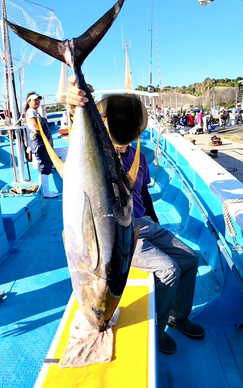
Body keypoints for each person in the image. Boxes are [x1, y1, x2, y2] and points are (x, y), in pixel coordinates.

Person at [67, 78, 205, 355]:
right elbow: (80, 140)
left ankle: (178, 315)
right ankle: (157, 330)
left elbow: (143, 192)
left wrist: (154, 222)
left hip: (145, 224)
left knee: (190, 258)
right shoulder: (101, 158)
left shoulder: (139, 156)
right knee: (168, 271)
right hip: (119, 231)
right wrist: (76, 105)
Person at [24, 92, 58, 199]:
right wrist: (45, 140)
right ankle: (46, 192)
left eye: (38, 99)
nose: (37, 101)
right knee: (44, 165)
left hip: (41, 142)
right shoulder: (31, 112)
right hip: (40, 143)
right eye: (35, 99)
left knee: (44, 165)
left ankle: (44, 191)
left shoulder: (35, 112)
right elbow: (36, 126)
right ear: (29, 102)